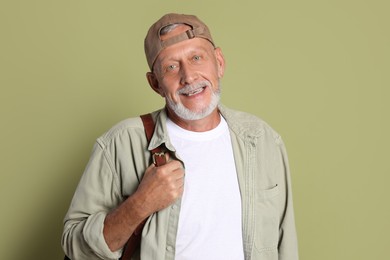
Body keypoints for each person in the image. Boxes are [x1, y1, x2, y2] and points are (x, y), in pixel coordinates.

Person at [62, 13, 299, 260]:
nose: (188, 76)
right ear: (155, 83)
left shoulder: (262, 140)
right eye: (171, 67)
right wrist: (140, 204)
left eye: (197, 57)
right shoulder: (120, 144)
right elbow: (74, 246)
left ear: (219, 62)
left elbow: (286, 243)